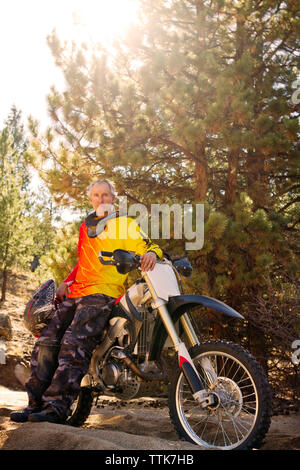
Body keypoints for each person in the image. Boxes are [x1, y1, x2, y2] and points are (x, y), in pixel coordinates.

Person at [10, 179, 163, 424]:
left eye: (105, 195)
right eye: (96, 195)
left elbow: (149, 246)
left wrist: (151, 254)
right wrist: (65, 282)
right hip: (76, 293)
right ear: (90, 198)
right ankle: (34, 405)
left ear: (114, 198)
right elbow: (84, 263)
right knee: (46, 342)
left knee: (73, 344)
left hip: (102, 294)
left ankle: (56, 409)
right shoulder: (86, 226)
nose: (101, 199)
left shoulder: (124, 223)